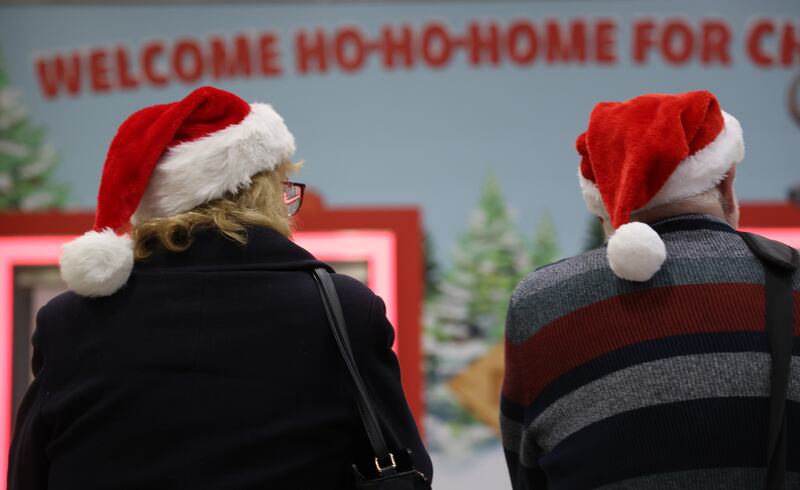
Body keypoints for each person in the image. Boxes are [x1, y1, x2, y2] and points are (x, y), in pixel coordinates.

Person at [8, 86, 431, 489]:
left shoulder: (67, 323)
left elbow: (28, 476)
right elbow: (407, 466)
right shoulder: (341, 310)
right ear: (263, 193)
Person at [501, 91, 799, 489]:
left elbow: (527, 473)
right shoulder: (790, 281)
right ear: (726, 183)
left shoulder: (540, 306)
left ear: (603, 206)